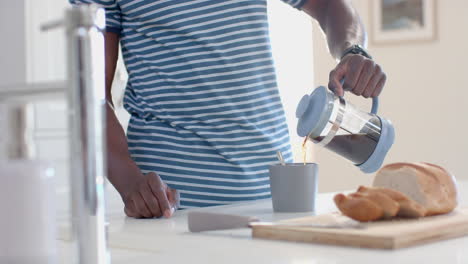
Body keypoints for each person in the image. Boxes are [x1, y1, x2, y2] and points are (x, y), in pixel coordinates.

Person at [69, 0, 387, 218]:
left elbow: (332, 5)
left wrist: (353, 49)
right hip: (170, 210)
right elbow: (91, 95)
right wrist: (129, 183)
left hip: (273, 203)